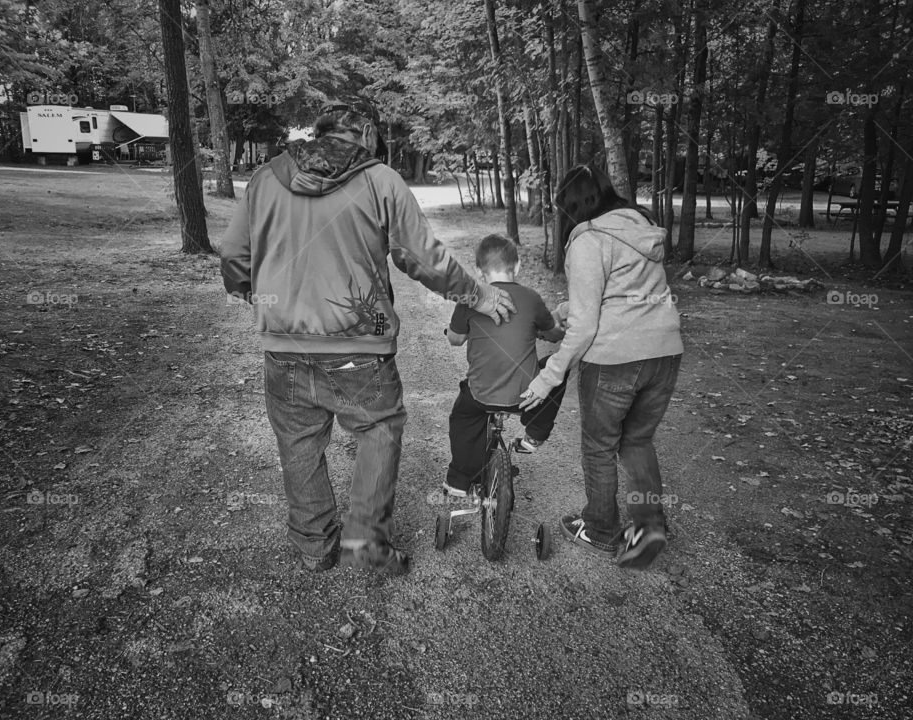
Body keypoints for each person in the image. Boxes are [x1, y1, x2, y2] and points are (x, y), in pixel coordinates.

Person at [218, 100, 515, 576]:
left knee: (298, 443)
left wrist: (256, 296)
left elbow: (234, 256)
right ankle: (364, 542)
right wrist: (475, 294)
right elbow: (422, 256)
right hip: (362, 342)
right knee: (378, 430)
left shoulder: (266, 178)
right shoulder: (380, 181)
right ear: (367, 138)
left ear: (320, 134)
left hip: (283, 345)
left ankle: (315, 547)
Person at [519, 164, 683, 570]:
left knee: (599, 446)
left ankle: (600, 529)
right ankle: (648, 529)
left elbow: (588, 325)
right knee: (638, 441)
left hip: (614, 358)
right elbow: (618, 294)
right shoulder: (639, 226)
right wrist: (561, 311)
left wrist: (549, 376)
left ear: (575, 206)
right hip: (663, 351)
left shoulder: (589, 238)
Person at [444, 234, 568, 496]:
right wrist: (553, 322)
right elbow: (554, 334)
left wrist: (453, 331)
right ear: (518, 266)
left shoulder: (470, 299)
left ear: (479, 271)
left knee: (462, 418)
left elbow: (455, 340)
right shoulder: (532, 298)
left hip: (481, 395)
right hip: (526, 396)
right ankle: (535, 431)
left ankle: (459, 480)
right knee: (558, 368)